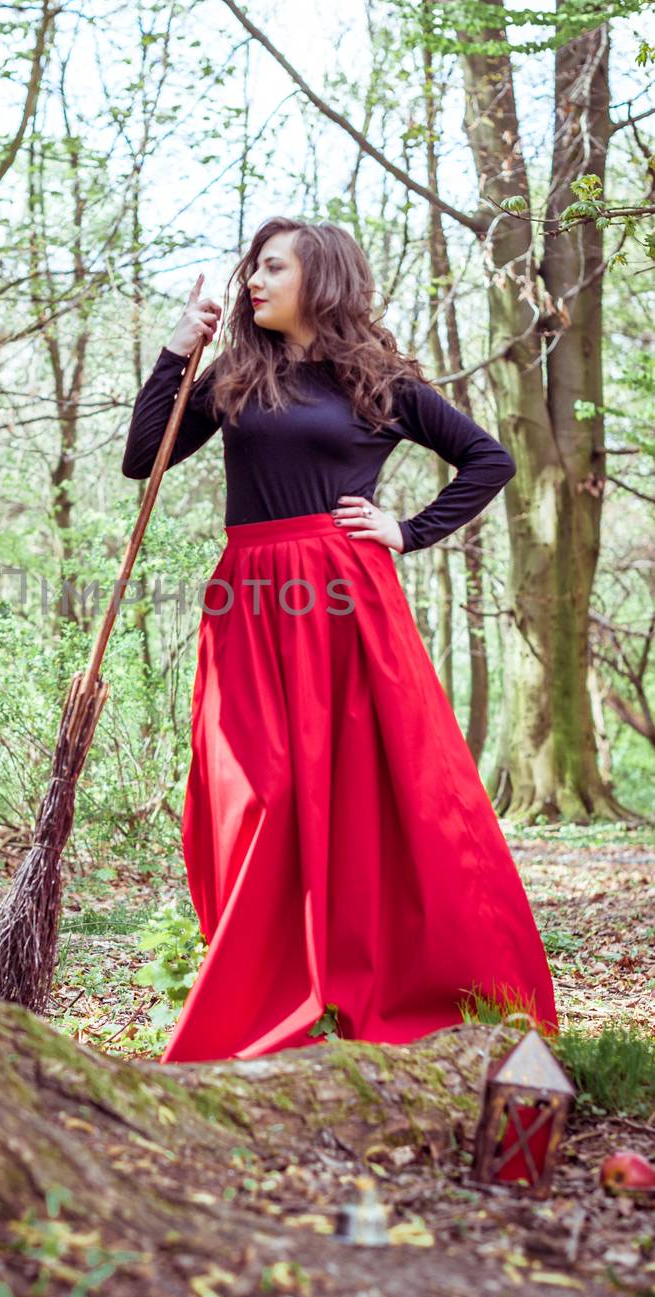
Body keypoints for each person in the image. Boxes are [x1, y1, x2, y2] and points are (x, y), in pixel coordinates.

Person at [121, 217, 557, 1064]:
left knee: (370, 787)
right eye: (253, 266)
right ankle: (266, 980)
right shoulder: (236, 375)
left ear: (318, 276)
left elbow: (487, 460)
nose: (254, 279)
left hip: (343, 599)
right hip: (249, 596)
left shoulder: (379, 380)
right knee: (259, 792)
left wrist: (409, 530)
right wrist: (179, 350)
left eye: (272, 267)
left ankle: (384, 973)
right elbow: (145, 458)